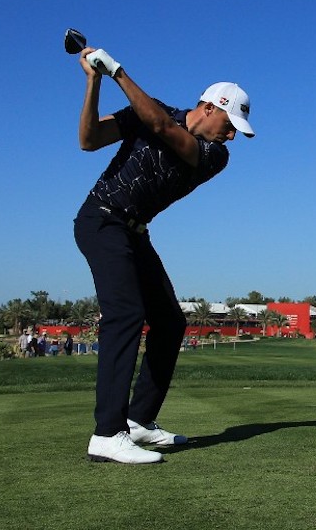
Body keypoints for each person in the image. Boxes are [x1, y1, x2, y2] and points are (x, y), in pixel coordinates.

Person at [72, 45, 255, 464]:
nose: (232, 135)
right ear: (210, 107)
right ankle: (106, 434)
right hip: (101, 221)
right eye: (230, 124)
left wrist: (117, 70)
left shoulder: (215, 156)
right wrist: (94, 80)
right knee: (125, 313)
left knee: (170, 322)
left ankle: (138, 421)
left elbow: (160, 125)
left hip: (134, 233)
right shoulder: (147, 110)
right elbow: (88, 140)